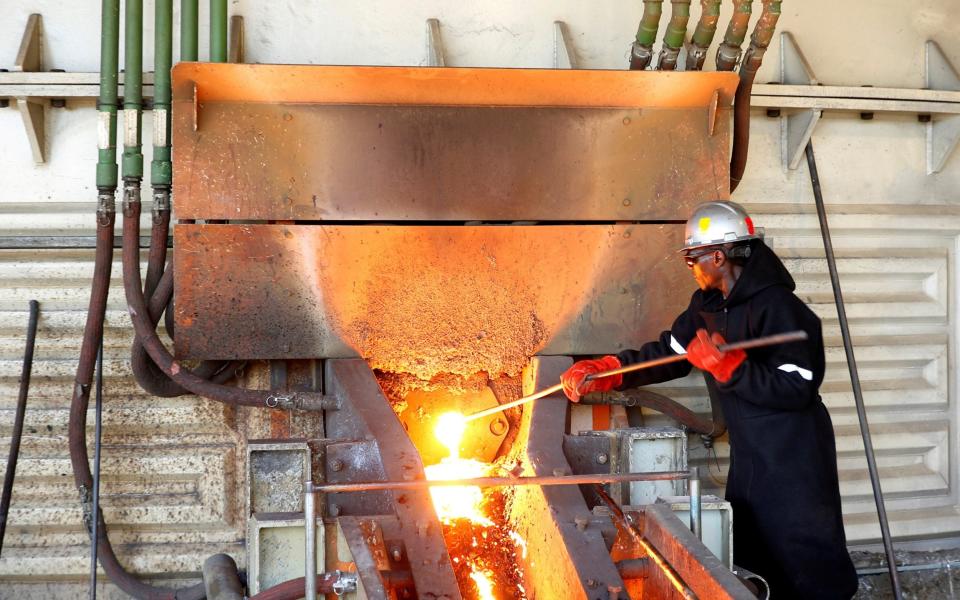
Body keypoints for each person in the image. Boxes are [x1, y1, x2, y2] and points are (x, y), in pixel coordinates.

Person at [561, 201, 858, 599]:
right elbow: (671, 352)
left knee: (804, 553)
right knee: (754, 546)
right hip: (752, 454)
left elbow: (797, 386)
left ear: (718, 256)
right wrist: (610, 369)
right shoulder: (707, 306)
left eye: (692, 257)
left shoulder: (781, 308)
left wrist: (730, 368)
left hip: (795, 456)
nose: (690, 265)